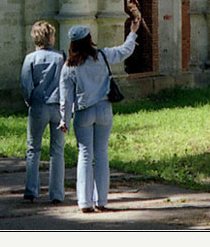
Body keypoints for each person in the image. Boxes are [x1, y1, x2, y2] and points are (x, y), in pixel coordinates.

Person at [58, 19, 140, 213]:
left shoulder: (69, 66)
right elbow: (124, 50)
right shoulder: (102, 56)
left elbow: (65, 97)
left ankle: (85, 202)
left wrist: (64, 119)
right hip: (104, 109)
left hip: (83, 111)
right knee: (102, 153)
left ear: (72, 44)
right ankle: (102, 200)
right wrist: (133, 33)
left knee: (85, 154)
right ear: (89, 40)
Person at [20, 20, 65, 203]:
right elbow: (66, 82)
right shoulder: (61, 57)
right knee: (57, 151)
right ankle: (57, 193)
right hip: (57, 106)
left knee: (33, 149)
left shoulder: (30, 59)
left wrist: (30, 100)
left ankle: (31, 190)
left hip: (38, 105)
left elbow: (25, 84)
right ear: (49, 37)